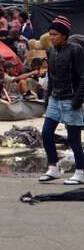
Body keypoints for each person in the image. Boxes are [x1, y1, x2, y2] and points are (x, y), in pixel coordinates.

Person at [39, 16, 84, 185]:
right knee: (46, 133)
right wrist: (47, 98)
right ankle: (53, 168)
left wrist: (78, 100)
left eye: (55, 34)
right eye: (50, 34)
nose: (52, 37)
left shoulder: (76, 50)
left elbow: (82, 76)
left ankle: (80, 171)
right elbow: (51, 77)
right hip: (54, 99)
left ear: (64, 35)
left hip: (71, 99)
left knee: (73, 138)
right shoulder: (51, 51)